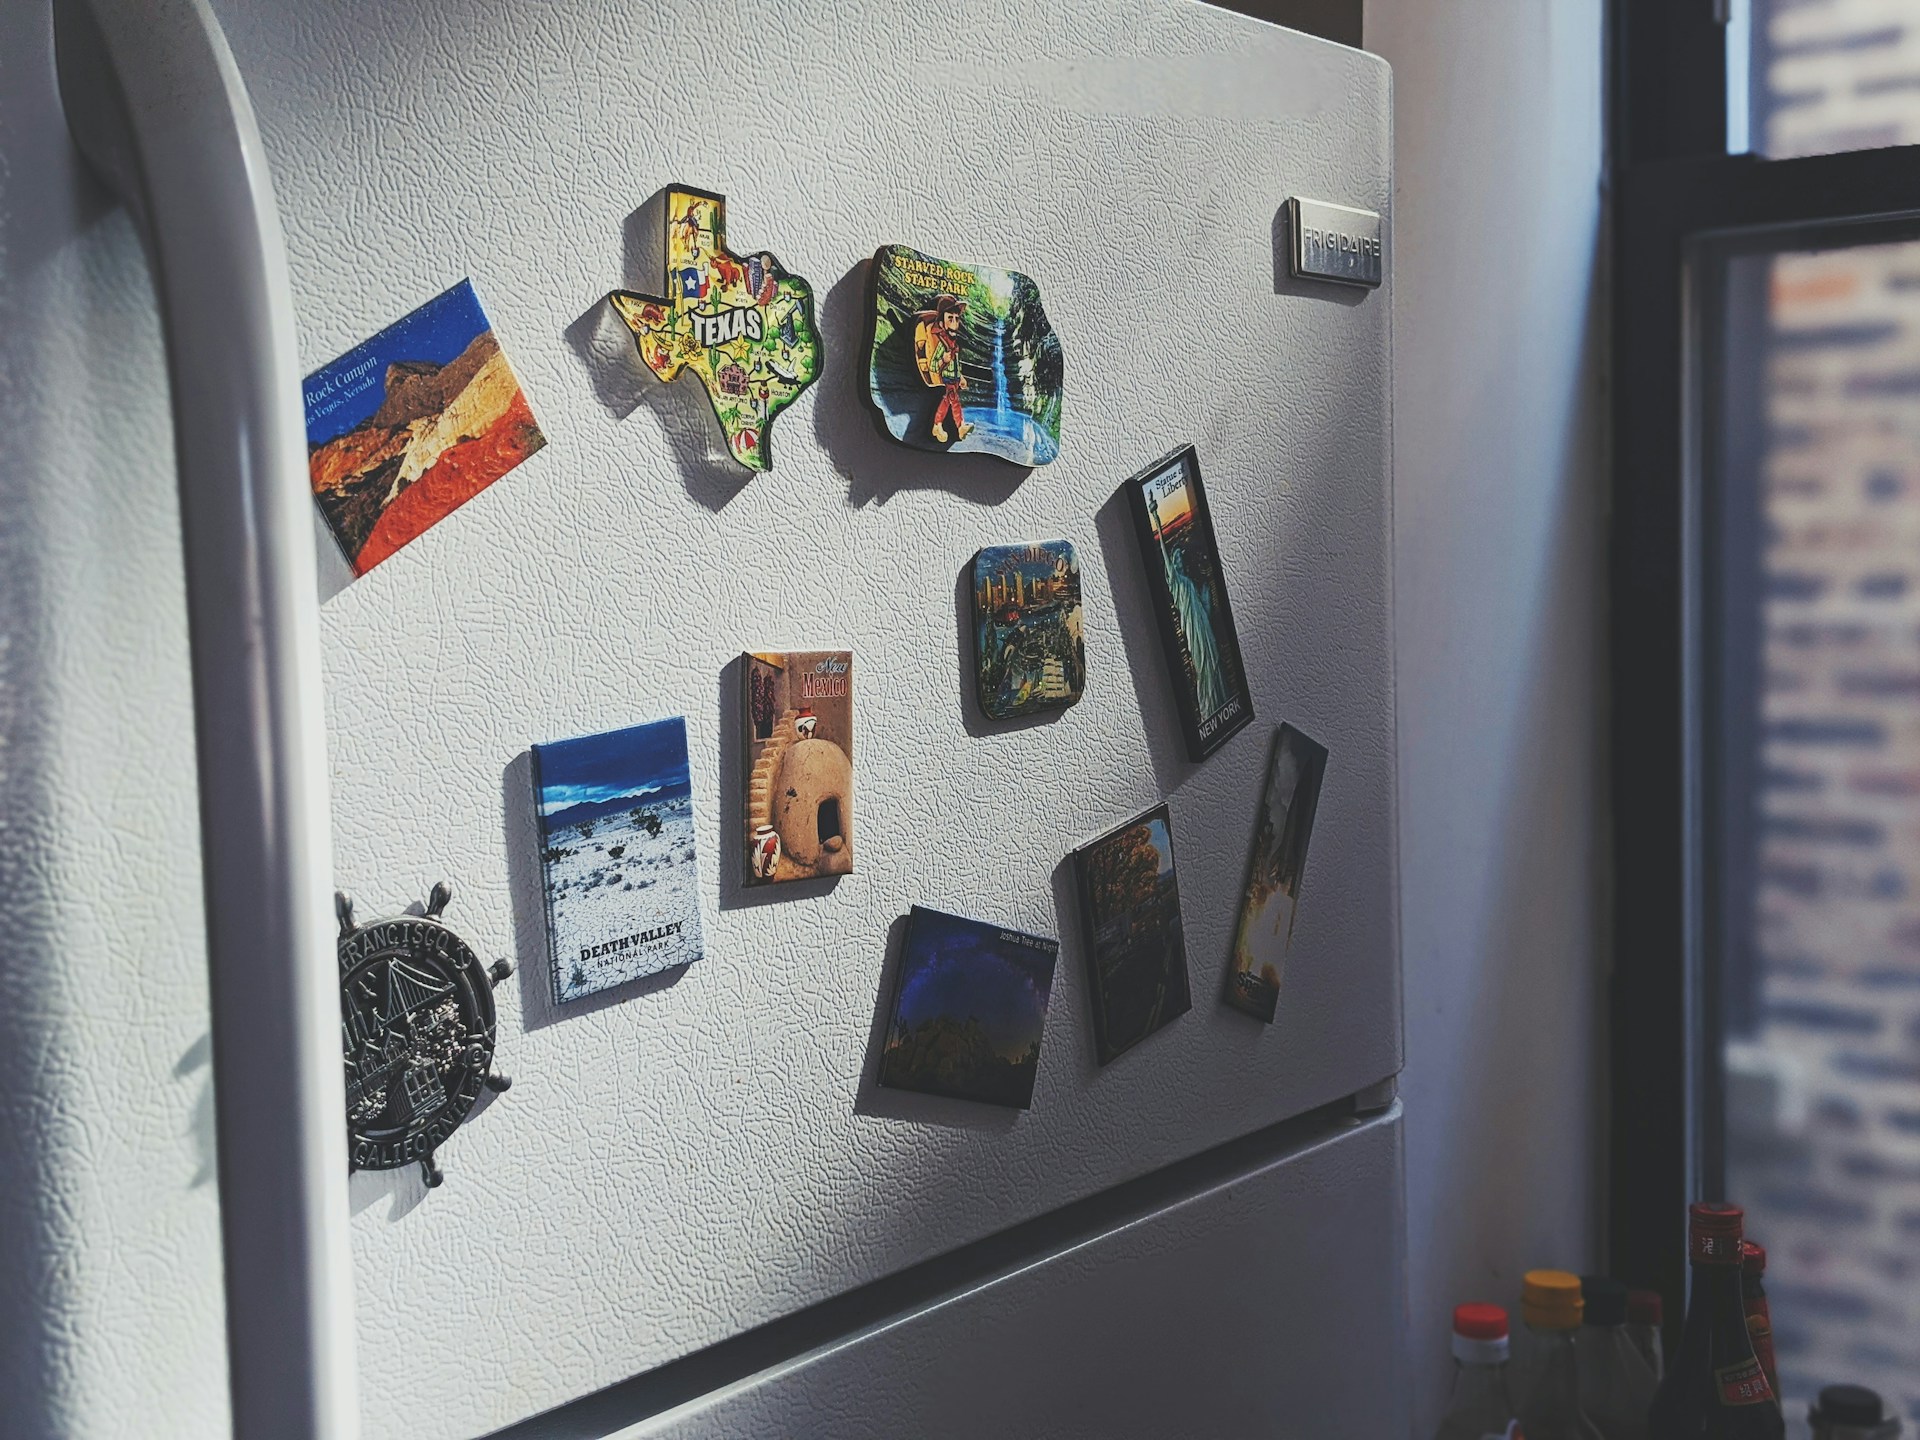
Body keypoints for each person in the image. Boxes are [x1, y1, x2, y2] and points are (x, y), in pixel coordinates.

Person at [913, 293, 972, 443]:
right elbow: (933, 365)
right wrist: (942, 361)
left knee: (950, 401)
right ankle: (948, 426)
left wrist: (962, 377)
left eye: (957, 319)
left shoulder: (953, 343)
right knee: (950, 400)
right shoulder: (942, 344)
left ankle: (948, 426)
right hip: (944, 378)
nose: (954, 323)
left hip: (953, 378)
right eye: (950, 319)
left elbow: (956, 363)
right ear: (942, 320)